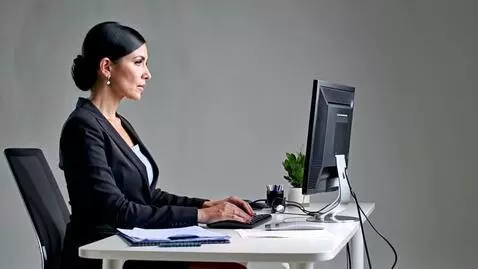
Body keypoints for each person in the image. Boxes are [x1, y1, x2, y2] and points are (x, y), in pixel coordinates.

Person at [59, 21, 254, 269]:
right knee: (227, 265)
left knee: (231, 259)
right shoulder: (83, 127)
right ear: (107, 67)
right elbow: (116, 210)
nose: (147, 73)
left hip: (128, 246)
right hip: (107, 255)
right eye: (138, 62)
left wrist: (205, 204)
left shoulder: (118, 123)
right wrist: (201, 216)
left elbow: (146, 195)